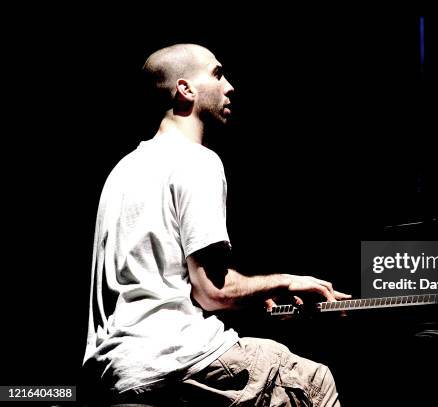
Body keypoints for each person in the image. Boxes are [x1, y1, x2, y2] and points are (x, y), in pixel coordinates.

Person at [82, 43, 349, 406]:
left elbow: (163, 282)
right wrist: (289, 280)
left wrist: (254, 295)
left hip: (116, 371)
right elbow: (212, 290)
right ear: (185, 89)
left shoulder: (123, 170)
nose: (229, 86)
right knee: (314, 382)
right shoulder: (196, 160)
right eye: (217, 74)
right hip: (177, 358)